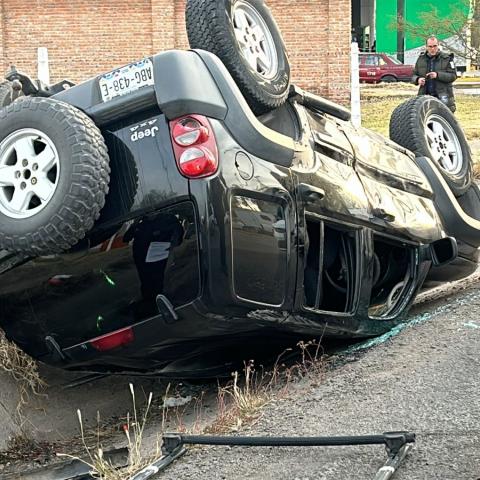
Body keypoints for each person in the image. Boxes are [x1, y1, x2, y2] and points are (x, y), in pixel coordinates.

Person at [412, 35, 457, 112]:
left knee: (444, 119)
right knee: (426, 121)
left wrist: (437, 75)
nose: (432, 49)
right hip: (425, 96)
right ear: (426, 47)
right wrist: (417, 79)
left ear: (438, 45)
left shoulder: (447, 58)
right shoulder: (420, 59)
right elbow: (413, 76)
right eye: (430, 46)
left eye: (435, 46)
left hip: (443, 96)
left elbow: (453, 76)